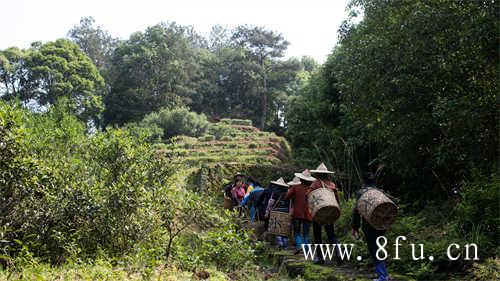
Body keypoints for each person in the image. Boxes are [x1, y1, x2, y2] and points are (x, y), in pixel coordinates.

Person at [352, 172, 390, 281]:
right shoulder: (380, 192)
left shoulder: (361, 193)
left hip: (369, 225)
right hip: (382, 224)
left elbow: (356, 211)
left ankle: (383, 276)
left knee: (374, 249)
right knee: (379, 247)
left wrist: (355, 227)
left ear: (364, 181)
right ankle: (384, 273)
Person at [309, 163, 343, 265]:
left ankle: (320, 258)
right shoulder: (332, 184)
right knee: (332, 235)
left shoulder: (315, 184)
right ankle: (339, 255)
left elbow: (308, 195)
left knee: (318, 235)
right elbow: (336, 198)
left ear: (318, 174)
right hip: (329, 211)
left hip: (319, 212)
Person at [255, 177, 290, 249]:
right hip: (286, 211)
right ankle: (285, 245)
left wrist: (267, 212)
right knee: (284, 228)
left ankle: (280, 243)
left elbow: (270, 203)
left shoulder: (275, 192)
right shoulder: (287, 192)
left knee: (276, 228)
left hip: (277, 210)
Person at [286, 174, 313, 254]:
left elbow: (287, 196)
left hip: (297, 213)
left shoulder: (295, 187)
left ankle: (299, 246)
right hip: (308, 213)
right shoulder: (311, 189)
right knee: (306, 233)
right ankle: (307, 250)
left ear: (301, 179)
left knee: (297, 231)